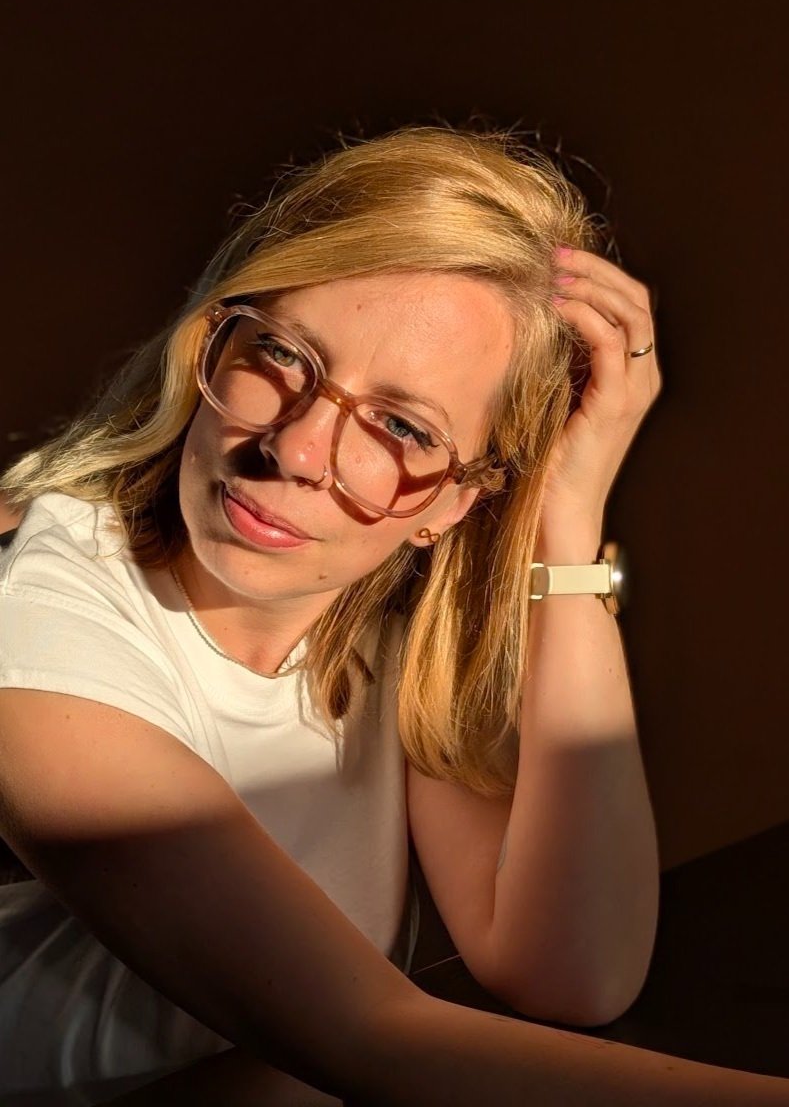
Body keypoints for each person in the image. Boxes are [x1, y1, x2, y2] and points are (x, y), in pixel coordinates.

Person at [0, 125, 785, 1107]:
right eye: (281, 355)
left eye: (404, 426)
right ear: (214, 333)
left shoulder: (381, 632)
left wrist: (568, 525)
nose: (296, 448)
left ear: (459, 497)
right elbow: (369, 1036)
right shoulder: (31, 601)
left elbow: (574, 971)